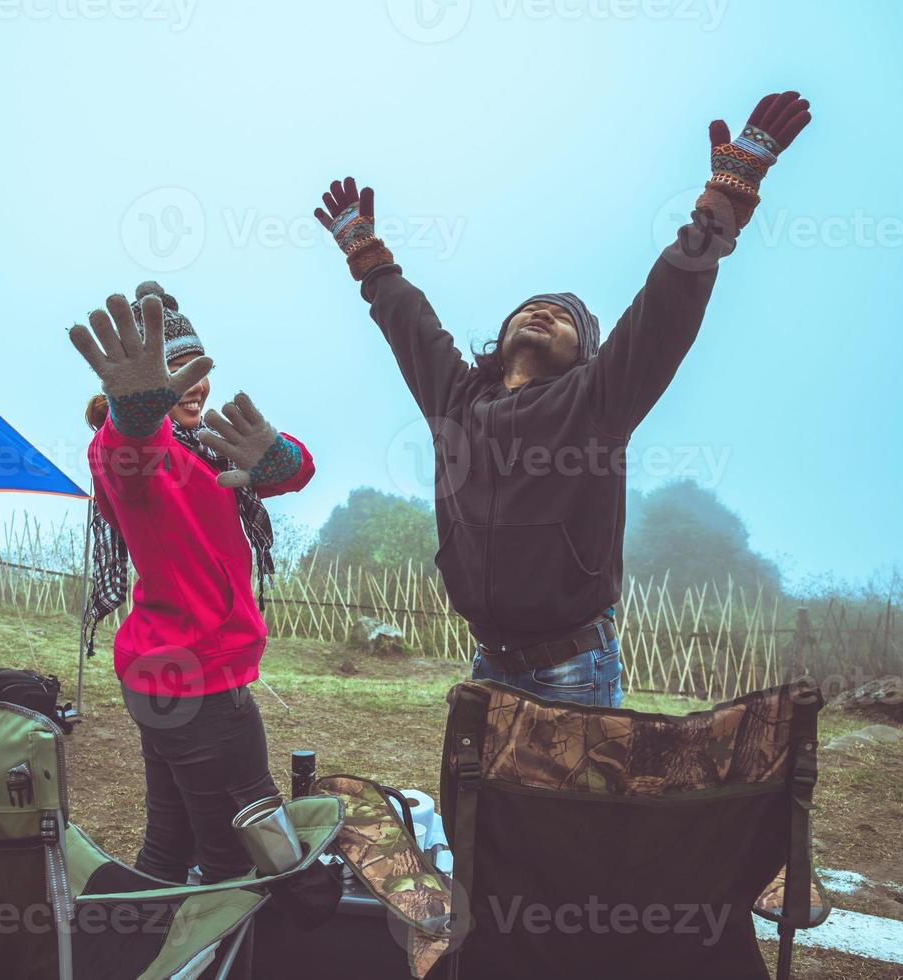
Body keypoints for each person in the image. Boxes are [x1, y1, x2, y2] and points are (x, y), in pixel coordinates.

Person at [314, 92, 812, 708]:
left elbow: (666, 306)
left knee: (571, 810)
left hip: (574, 667)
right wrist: (368, 258)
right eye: (530, 308)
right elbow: (409, 323)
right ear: (501, 337)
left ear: (585, 354)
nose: (542, 312)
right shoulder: (458, 399)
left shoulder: (596, 400)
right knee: (483, 808)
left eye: (564, 316)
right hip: (488, 664)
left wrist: (725, 204)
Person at [70, 281, 315, 887]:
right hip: (198, 681)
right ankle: (216, 956)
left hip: (164, 674)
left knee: (169, 845)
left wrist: (278, 456)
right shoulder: (140, 454)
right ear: (145, 382)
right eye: (175, 368)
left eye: (197, 365)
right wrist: (133, 413)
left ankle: (136, 950)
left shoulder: (204, 450)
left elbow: (296, 473)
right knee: (239, 861)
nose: (194, 382)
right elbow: (122, 458)